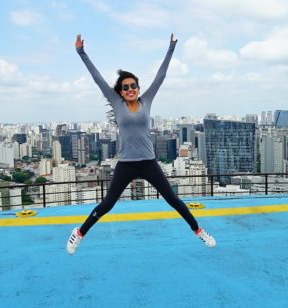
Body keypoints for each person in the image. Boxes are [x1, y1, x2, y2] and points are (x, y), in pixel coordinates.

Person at [67, 34, 216, 255]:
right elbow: (97, 78)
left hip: (148, 162)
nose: (130, 89)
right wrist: (81, 52)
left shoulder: (147, 100)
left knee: (173, 200)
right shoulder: (116, 102)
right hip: (126, 163)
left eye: (133, 85)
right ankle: (79, 233)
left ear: (138, 87)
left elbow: (161, 76)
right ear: (120, 91)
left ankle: (199, 231)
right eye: (125, 87)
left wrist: (171, 49)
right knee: (107, 204)